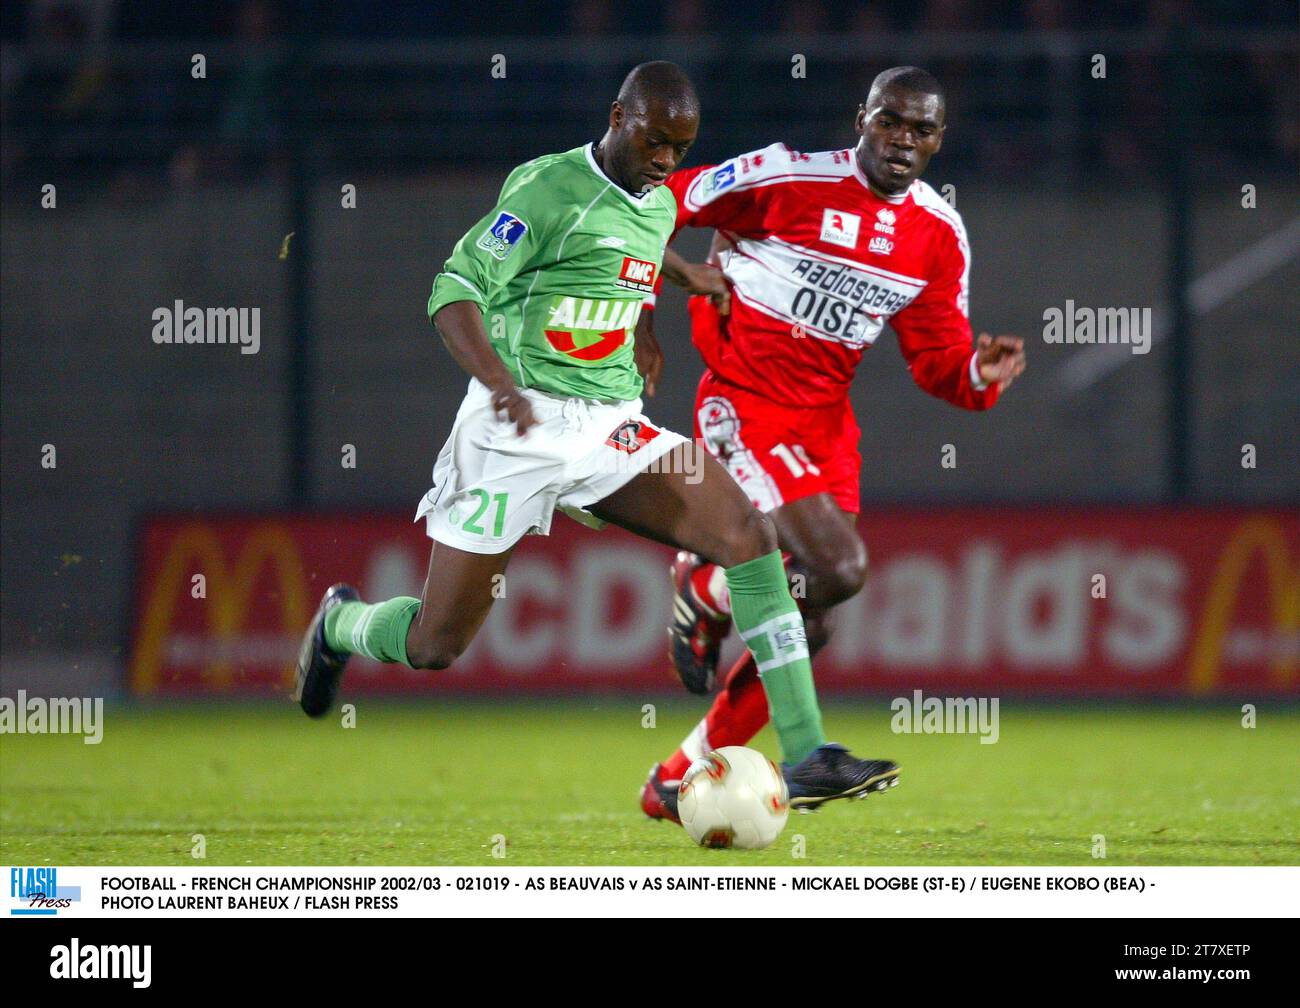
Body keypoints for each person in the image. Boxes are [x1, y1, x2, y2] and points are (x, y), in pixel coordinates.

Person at [293, 61, 899, 811]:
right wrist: (500, 383)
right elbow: (453, 290)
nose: (665, 162)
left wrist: (683, 281)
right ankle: (341, 624)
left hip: (610, 426)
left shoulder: (652, 201)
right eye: (654, 141)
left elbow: (637, 248)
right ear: (617, 117)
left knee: (749, 532)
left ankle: (807, 753)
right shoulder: (547, 190)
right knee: (435, 646)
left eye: (680, 148)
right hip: (513, 430)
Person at [638, 66, 1026, 822]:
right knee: (839, 565)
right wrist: (650, 309)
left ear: (939, 140)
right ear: (863, 118)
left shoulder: (937, 236)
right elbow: (657, 202)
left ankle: (675, 775)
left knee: (813, 615)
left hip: (824, 427)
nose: (903, 140)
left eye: (921, 129)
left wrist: (978, 375)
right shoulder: (783, 176)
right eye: (890, 121)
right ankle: (723, 613)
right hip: (744, 402)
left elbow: (936, 359)